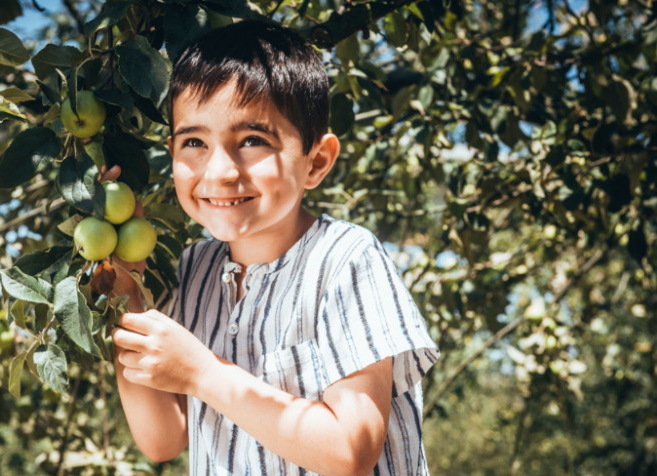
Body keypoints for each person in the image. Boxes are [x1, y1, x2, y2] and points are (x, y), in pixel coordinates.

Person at [107, 20, 439, 476]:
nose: (220, 171)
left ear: (316, 162)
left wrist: (204, 373)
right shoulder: (194, 269)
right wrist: (127, 292)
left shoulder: (345, 259)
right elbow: (162, 439)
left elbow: (350, 453)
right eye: (194, 142)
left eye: (252, 141)